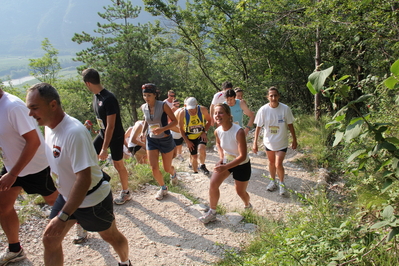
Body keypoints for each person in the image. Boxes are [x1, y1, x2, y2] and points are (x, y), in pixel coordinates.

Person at [26, 83, 131, 266]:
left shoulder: (74, 132)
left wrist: (64, 216)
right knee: (50, 239)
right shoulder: (48, 126)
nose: (30, 114)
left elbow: (84, 179)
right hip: (68, 198)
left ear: (52, 105)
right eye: (29, 108)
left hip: (92, 200)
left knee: (111, 237)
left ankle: (125, 262)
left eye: (34, 108)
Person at [0, 88, 58, 265]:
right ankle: (15, 249)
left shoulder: (13, 106)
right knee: (2, 205)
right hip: (13, 167)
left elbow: (34, 141)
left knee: (54, 202)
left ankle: (80, 220)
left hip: (36, 166)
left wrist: (13, 174)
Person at [82, 68, 131, 205]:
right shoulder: (96, 97)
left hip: (115, 136)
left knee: (118, 164)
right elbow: (102, 122)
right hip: (103, 134)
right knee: (89, 157)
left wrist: (104, 149)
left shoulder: (109, 98)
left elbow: (111, 126)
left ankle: (126, 192)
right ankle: (99, 186)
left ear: (88, 83)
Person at [199, 103, 252, 224]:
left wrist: (225, 167)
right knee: (213, 184)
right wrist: (222, 157)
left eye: (221, 112)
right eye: (216, 113)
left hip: (241, 164)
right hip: (227, 161)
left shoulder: (238, 132)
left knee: (240, 192)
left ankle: (247, 204)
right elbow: (218, 144)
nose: (217, 115)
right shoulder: (217, 131)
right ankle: (212, 212)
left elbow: (242, 155)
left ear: (229, 115)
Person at [252, 87, 298, 196]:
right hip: (269, 142)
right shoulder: (263, 110)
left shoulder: (285, 109)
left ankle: (282, 184)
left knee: (278, 164)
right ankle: (272, 181)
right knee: (271, 163)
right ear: (267, 97)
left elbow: (290, 125)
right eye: (271, 95)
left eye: (275, 95)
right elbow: (258, 127)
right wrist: (255, 142)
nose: (273, 98)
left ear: (279, 96)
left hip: (281, 141)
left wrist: (294, 139)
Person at [140, 83, 178, 200]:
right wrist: (142, 132)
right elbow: (146, 120)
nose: (147, 98)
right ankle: (163, 188)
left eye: (149, 95)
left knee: (167, 168)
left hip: (165, 139)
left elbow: (175, 122)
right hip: (151, 140)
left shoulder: (163, 105)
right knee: (154, 168)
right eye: (144, 95)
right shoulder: (143, 107)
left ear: (155, 95)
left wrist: (162, 129)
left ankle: (173, 173)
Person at [178, 97, 211, 175]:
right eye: (190, 108)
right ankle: (193, 165)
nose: (192, 110)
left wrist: (204, 132)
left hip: (200, 134)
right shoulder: (183, 113)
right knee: (194, 157)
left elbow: (209, 120)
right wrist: (187, 141)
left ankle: (202, 165)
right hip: (190, 137)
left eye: (193, 108)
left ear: (196, 105)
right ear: (185, 106)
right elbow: (180, 128)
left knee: (201, 149)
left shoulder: (202, 110)